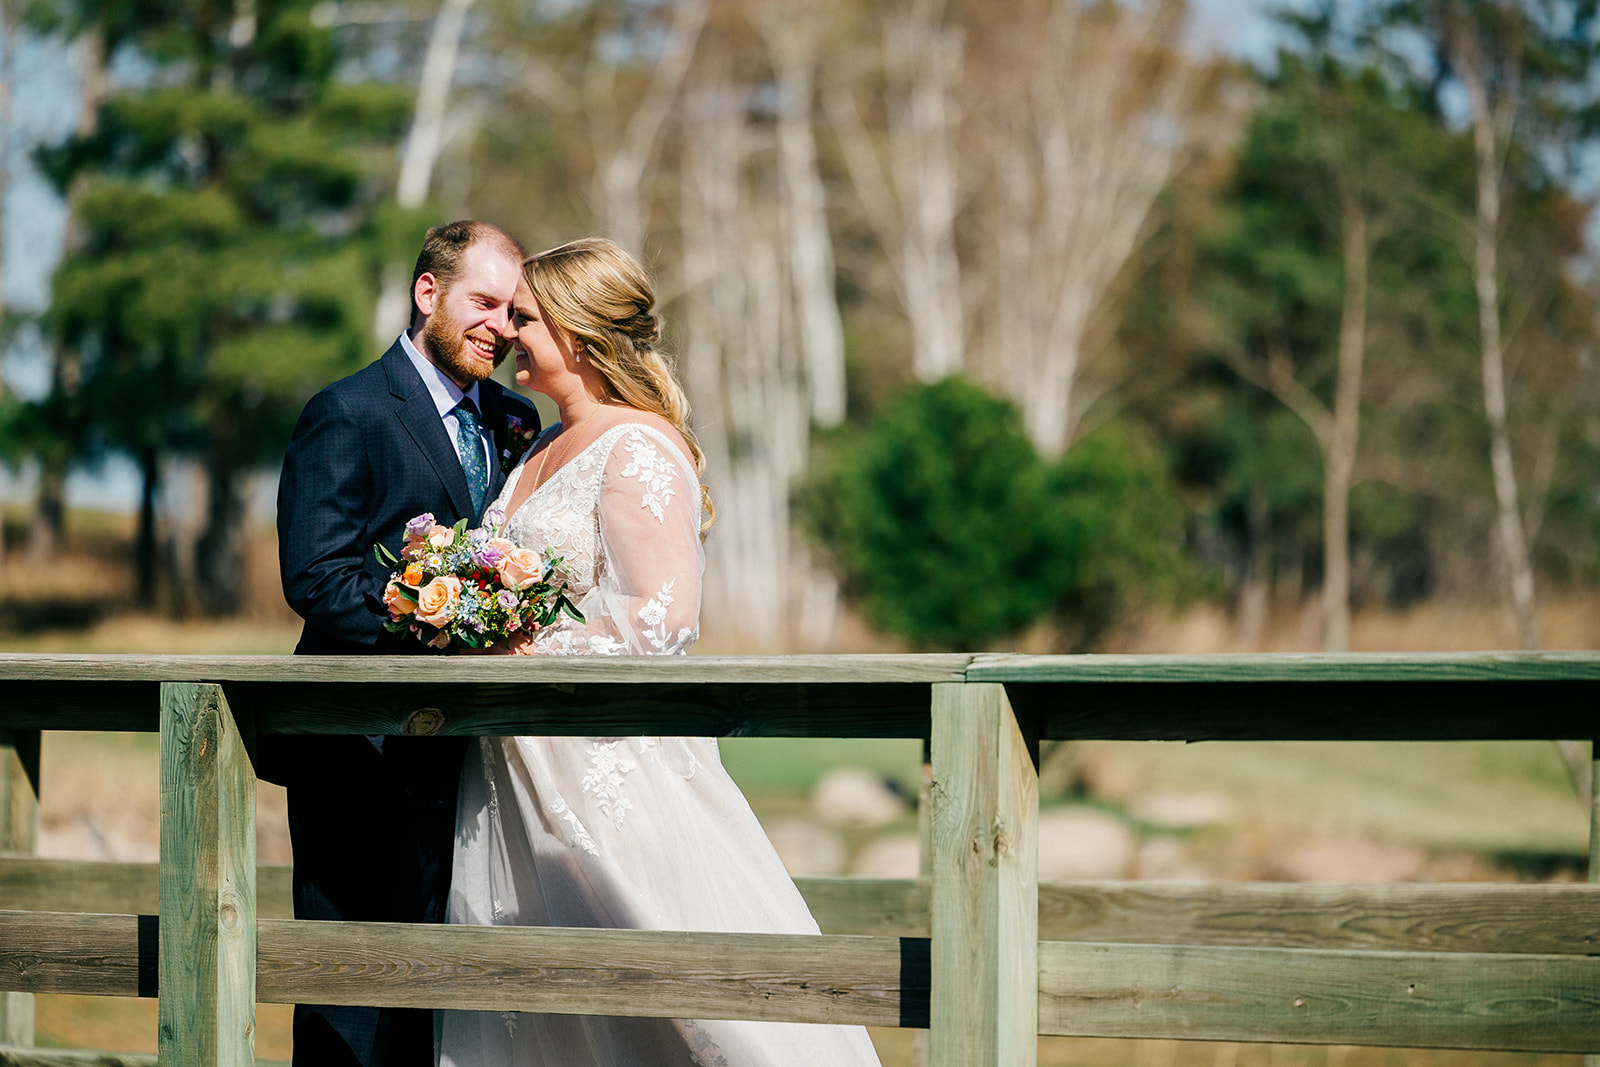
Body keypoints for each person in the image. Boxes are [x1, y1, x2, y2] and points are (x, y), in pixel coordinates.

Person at [436, 238, 883, 1066]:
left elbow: (663, 617)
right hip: (512, 767)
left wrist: (532, 647)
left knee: (661, 989)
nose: (505, 332)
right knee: (535, 995)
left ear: (577, 332)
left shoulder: (635, 446)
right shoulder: (536, 448)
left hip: (607, 767)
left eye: (524, 317)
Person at [271, 220, 541, 1067]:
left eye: (515, 311)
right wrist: (445, 619)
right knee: (352, 999)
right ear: (429, 293)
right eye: (484, 303)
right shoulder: (347, 412)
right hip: (361, 752)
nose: (502, 326)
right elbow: (316, 578)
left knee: (446, 999)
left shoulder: (514, 420)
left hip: (472, 763)